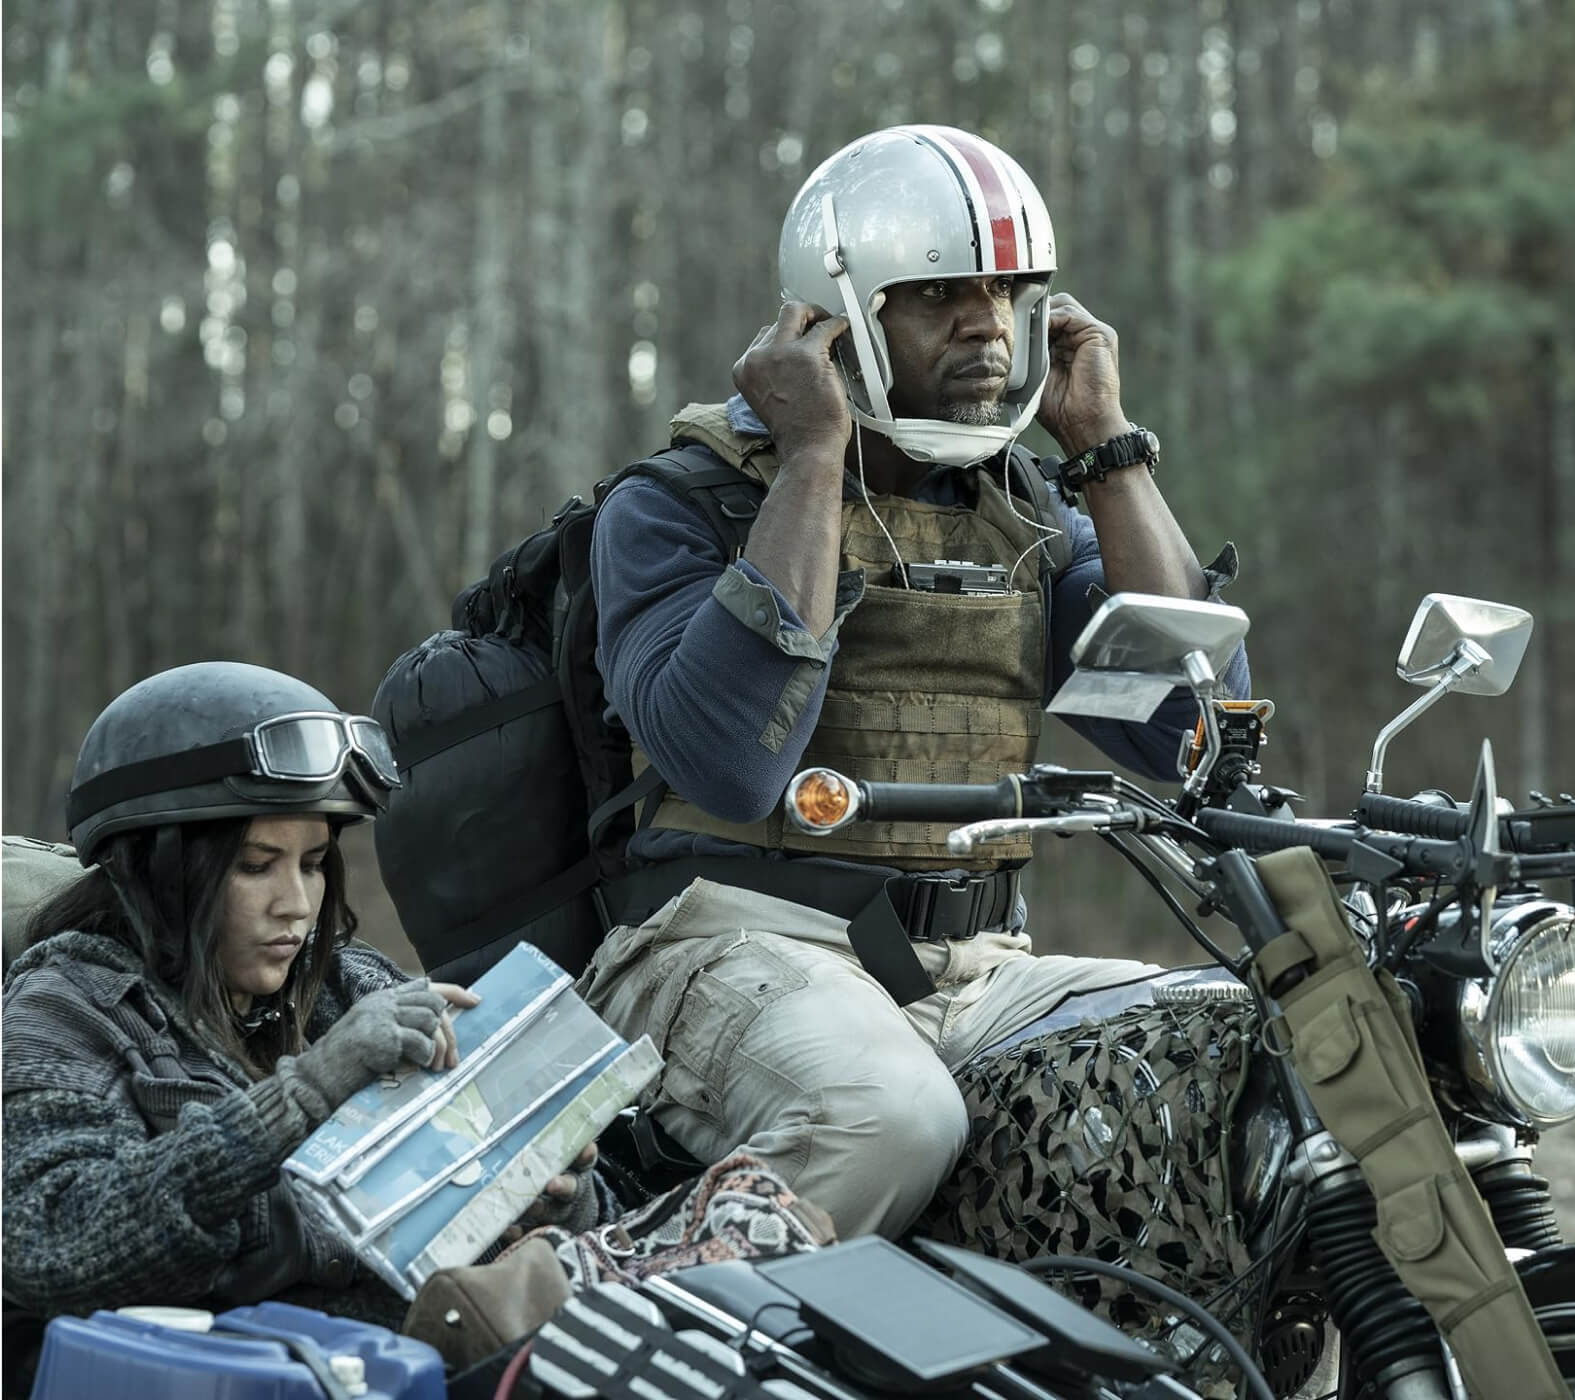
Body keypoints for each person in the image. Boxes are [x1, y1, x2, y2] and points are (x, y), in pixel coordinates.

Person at [582, 124, 1251, 1239]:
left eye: (1008, 292)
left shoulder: (1031, 509)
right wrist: (810, 457)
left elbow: (1195, 732)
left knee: (1230, 1046)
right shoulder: (678, 502)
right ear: (841, 318)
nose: (988, 322)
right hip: (724, 946)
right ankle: (598, 1303)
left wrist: (1106, 443)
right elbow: (731, 762)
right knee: (887, 1114)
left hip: (981, 963)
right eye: (940, 290)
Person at [1, 662, 612, 1363]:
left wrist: (549, 1195)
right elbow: (50, 1242)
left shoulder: (349, 986)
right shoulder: (66, 1011)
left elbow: (560, 1218)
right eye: (256, 866)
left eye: (314, 863)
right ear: (159, 869)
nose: (295, 903)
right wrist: (310, 1090)